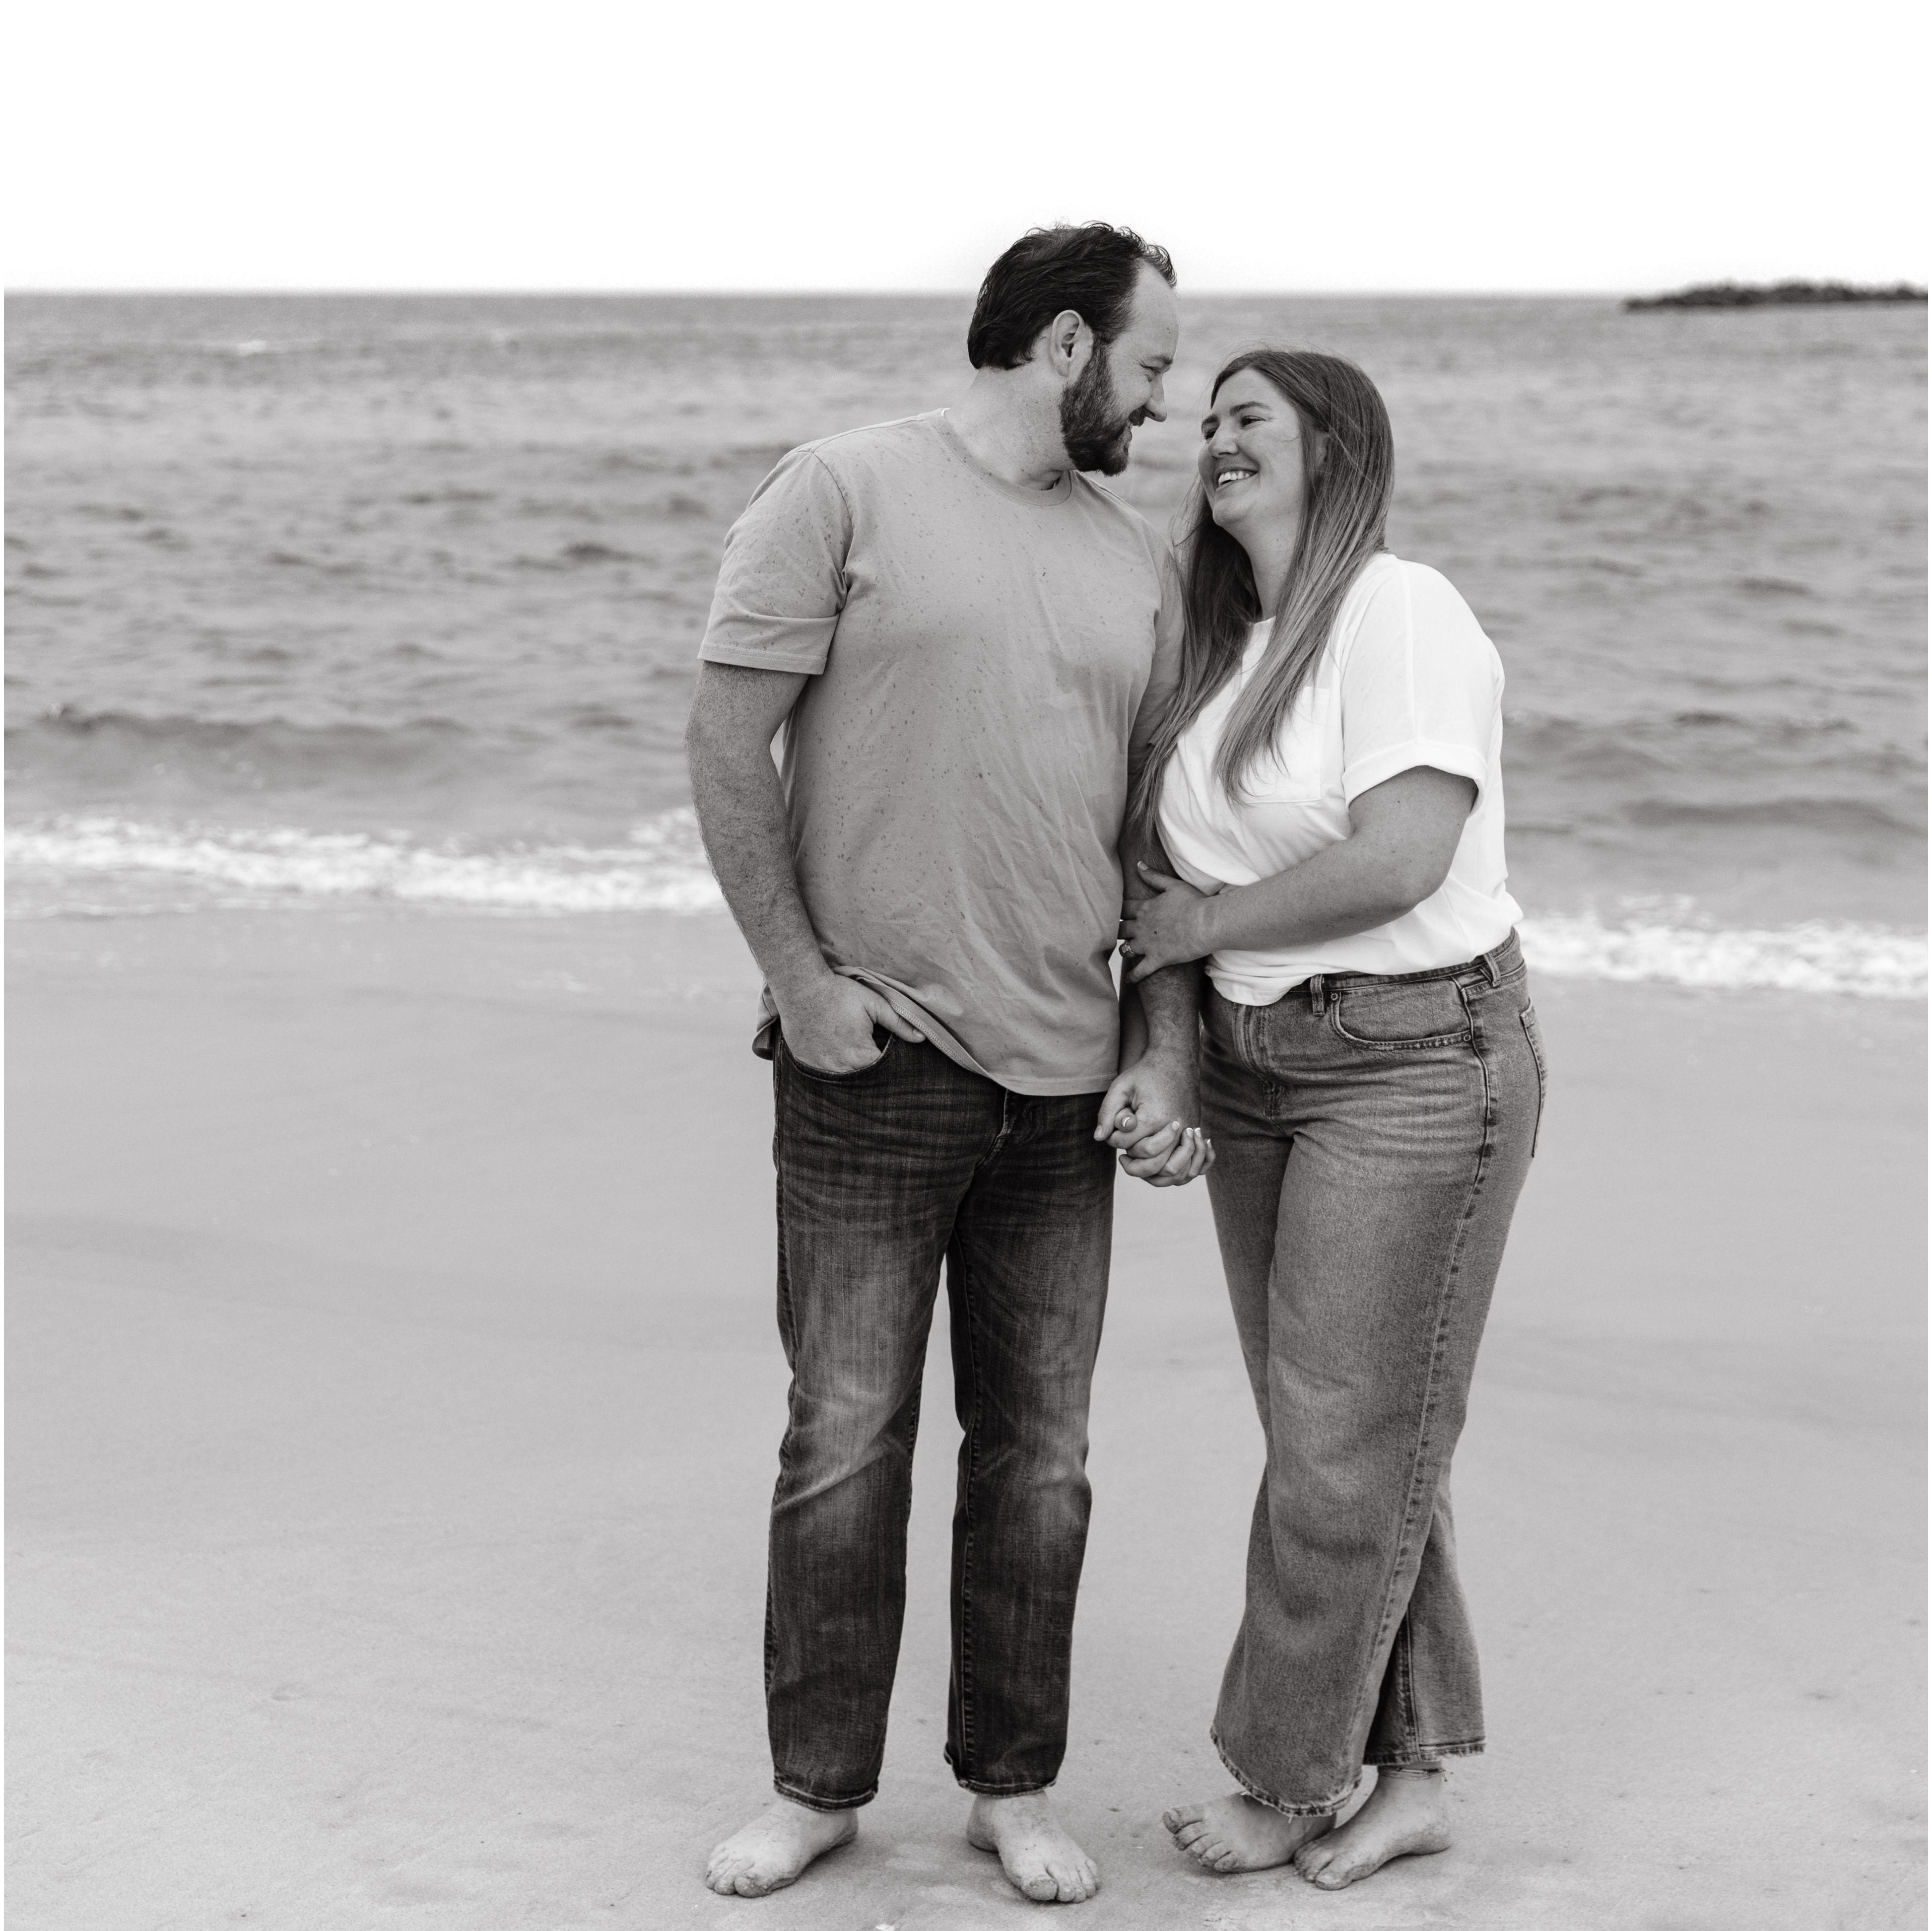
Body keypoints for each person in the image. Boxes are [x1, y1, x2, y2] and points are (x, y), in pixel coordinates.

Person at [685, 222, 1212, 1905]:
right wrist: (801, 982)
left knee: (1038, 1457)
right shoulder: (840, 489)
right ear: (1064, 346)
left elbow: (1151, 844)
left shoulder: (1132, 557)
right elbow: (725, 738)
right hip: (874, 1061)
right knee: (844, 1436)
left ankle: (1010, 1784)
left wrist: (1162, 1049)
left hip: (1064, 1087)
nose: (1161, 402)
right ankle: (816, 1787)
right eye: (1147, 364)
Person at [1118, 348, 1547, 1890]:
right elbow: (1153, 893)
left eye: (1251, 417)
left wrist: (1202, 924)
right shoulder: (1207, 649)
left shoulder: (1397, 609)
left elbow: (1401, 854)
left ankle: (1290, 1775)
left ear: (1335, 451)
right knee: (1345, 1436)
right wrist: (1170, 1054)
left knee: (1341, 1442)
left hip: (1412, 1055)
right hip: (1251, 1067)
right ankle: (1410, 1770)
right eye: (1207, 419)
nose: (1216, 437)